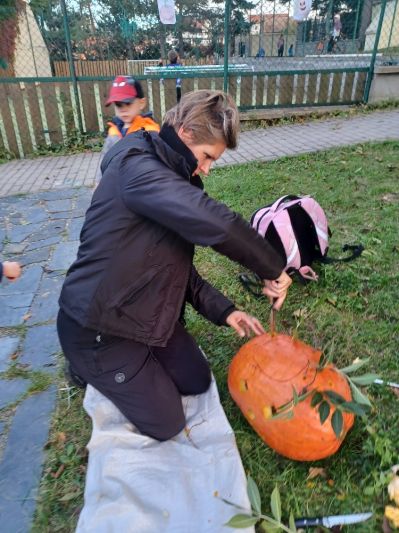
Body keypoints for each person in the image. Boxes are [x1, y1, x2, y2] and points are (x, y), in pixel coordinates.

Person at [57, 90, 292, 442]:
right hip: (97, 327)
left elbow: (173, 266)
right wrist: (273, 267)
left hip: (138, 314)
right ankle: (84, 368)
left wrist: (225, 311)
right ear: (186, 133)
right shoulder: (139, 169)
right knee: (167, 423)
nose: (207, 169)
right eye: (207, 156)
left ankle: (140, 358)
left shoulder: (170, 174)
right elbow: (219, 224)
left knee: (196, 380)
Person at [95, 75, 160, 183]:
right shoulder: (113, 132)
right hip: (117, 184)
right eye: (118, 105)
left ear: (141, 103)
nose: (123, 109)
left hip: (142, 184)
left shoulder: (149, 131)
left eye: (128, 103)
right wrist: (99, 182)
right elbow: (105, 159)